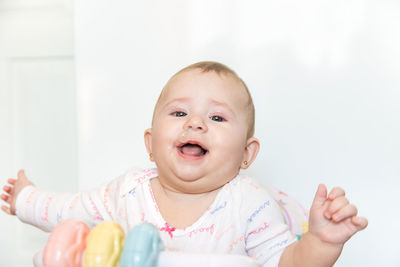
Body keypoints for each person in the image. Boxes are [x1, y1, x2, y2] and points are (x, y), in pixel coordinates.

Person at [1, 61, 367, 266]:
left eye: (218, 118)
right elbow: (72, 210)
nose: (195, 123)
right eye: (179, 112)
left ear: (246, 155)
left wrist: (320, 241)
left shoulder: (251, 204)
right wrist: (26, 199)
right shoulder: (128, 192)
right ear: (150, 144)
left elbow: (287, 264)